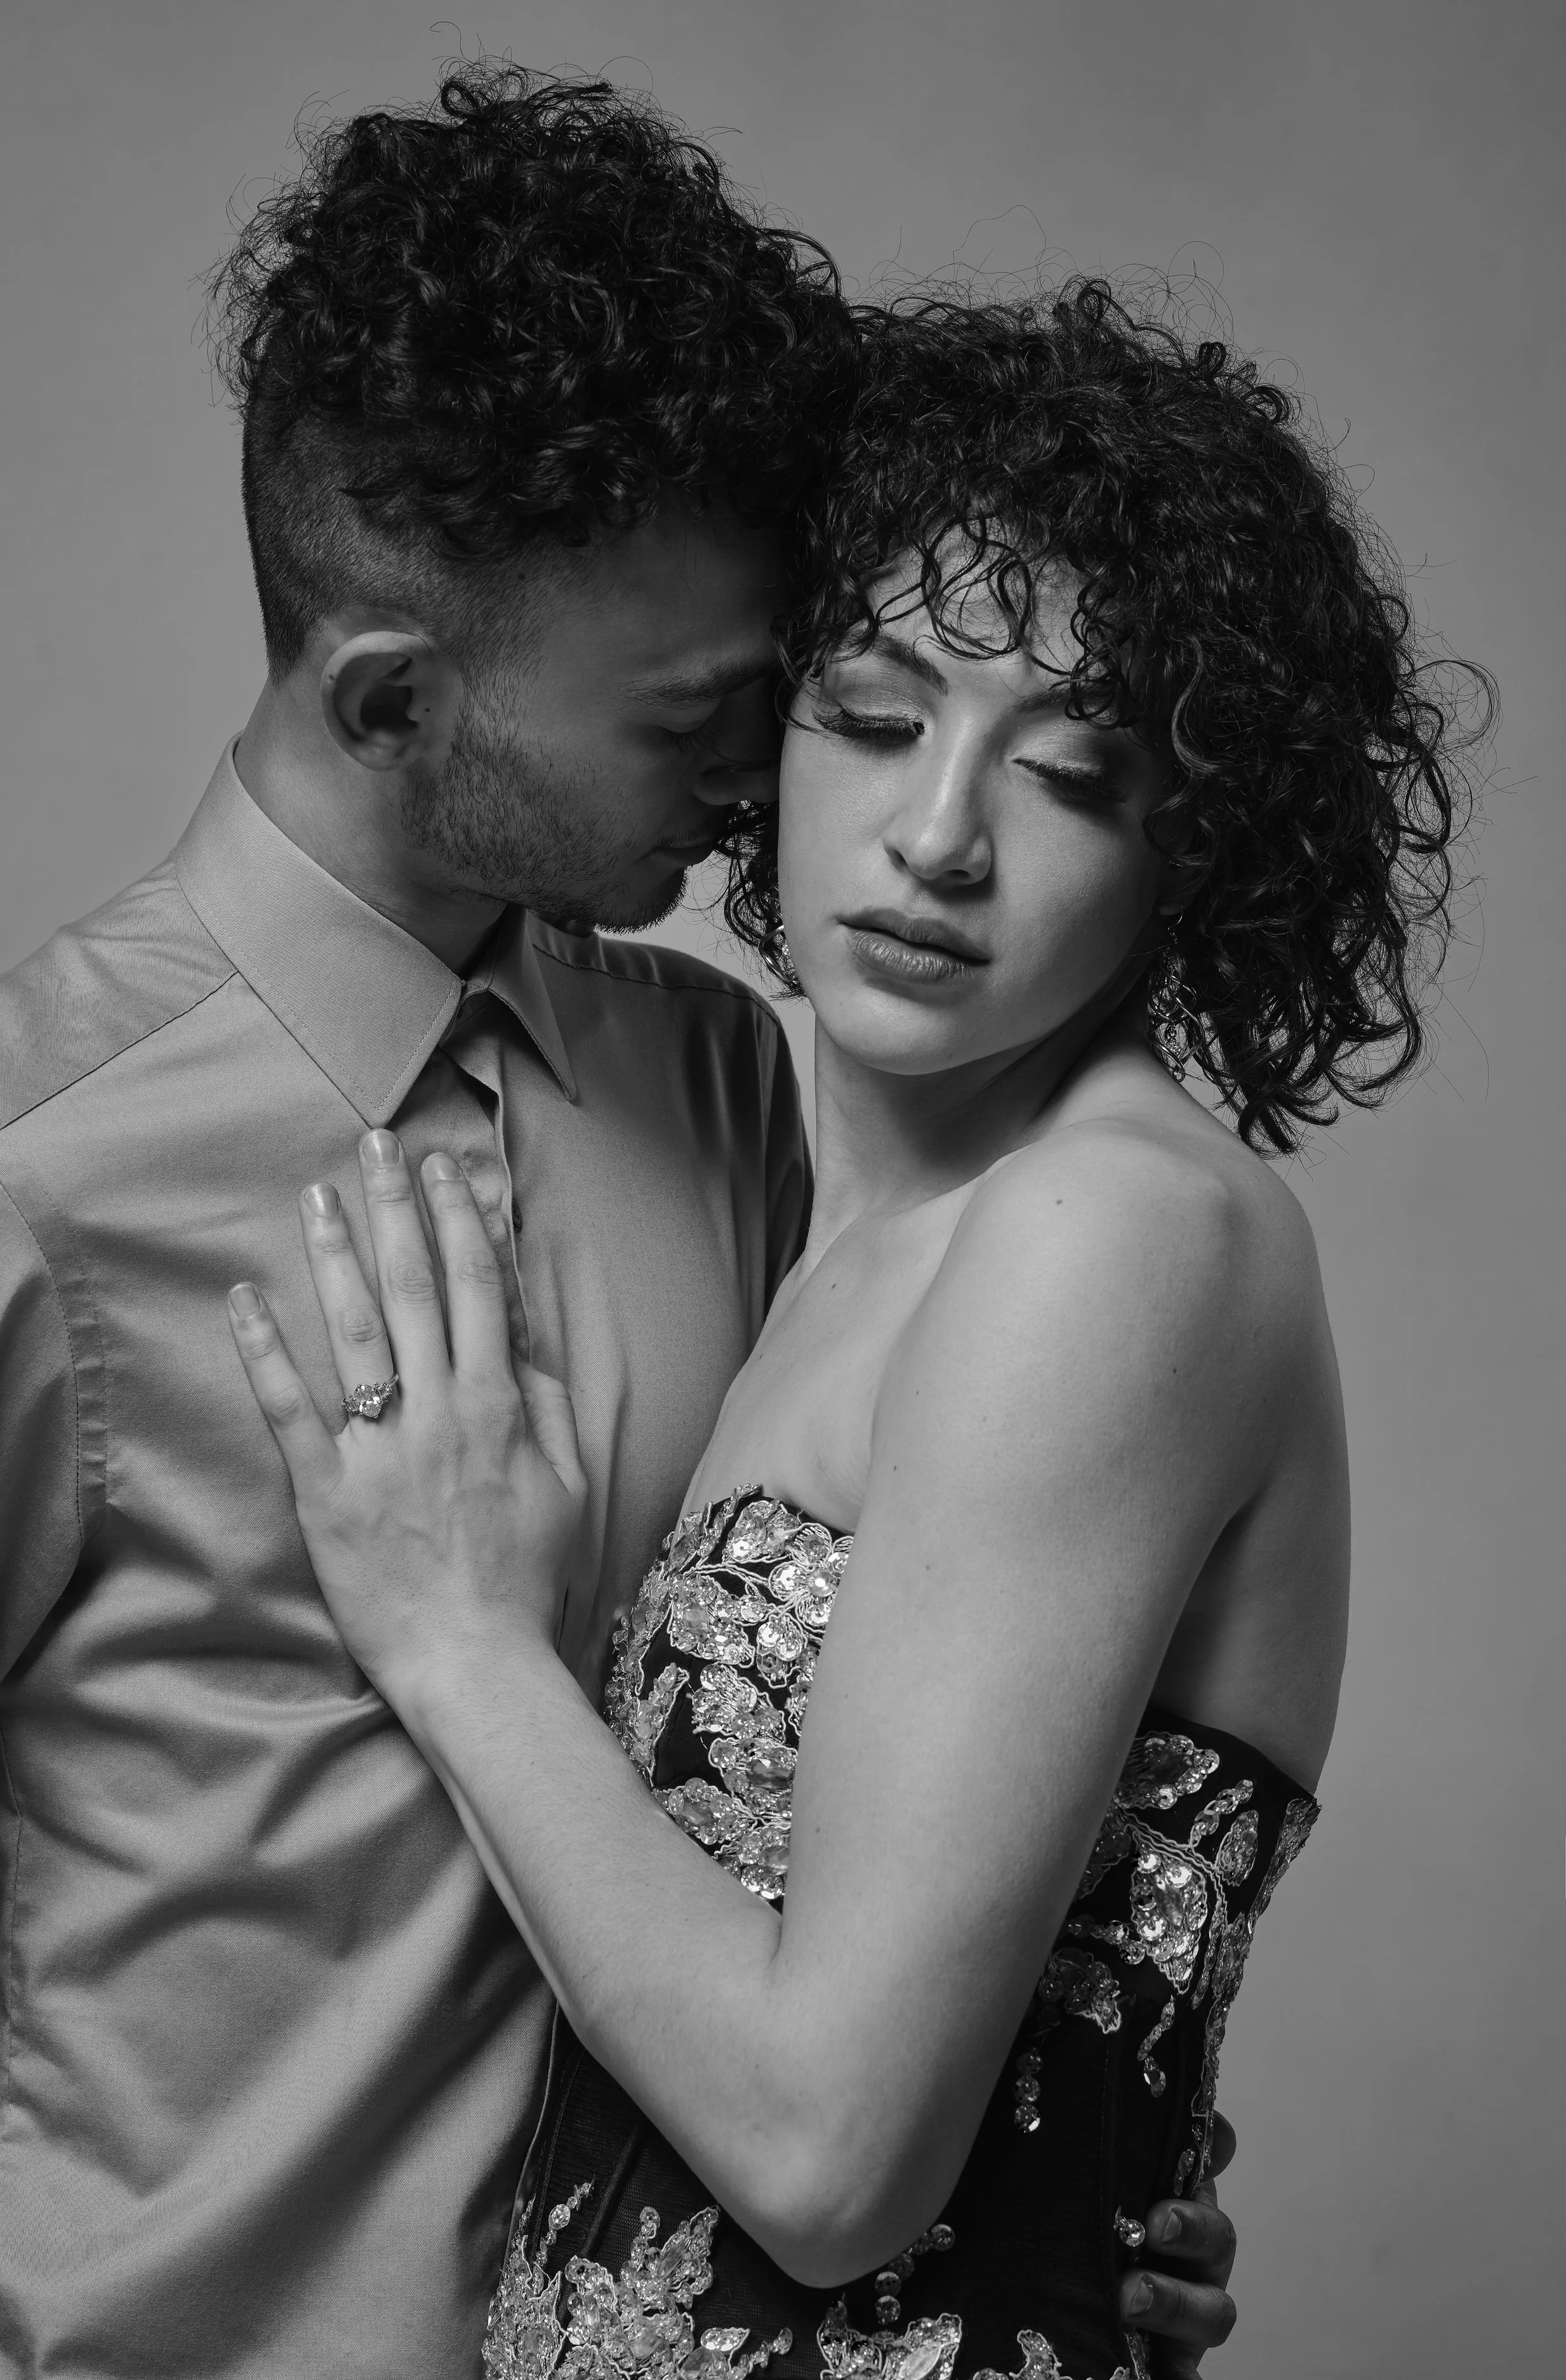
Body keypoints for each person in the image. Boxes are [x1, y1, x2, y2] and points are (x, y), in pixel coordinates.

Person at [0, 69, 1234, 2378]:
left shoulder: (737, 1089)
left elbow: (843, 1800)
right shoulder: (30, 1178)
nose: (765, 785)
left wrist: (1051, 2185)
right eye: (698, 717)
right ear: (394, 698)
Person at [230, 285, 1482, 2380]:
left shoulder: (1110, 1233)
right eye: (877, 718)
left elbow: (829, 2156)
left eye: (1070, 770)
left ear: (1198, 839)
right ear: (766, 732)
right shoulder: (796, 1203)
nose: (937, 837)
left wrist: (452, 1633)